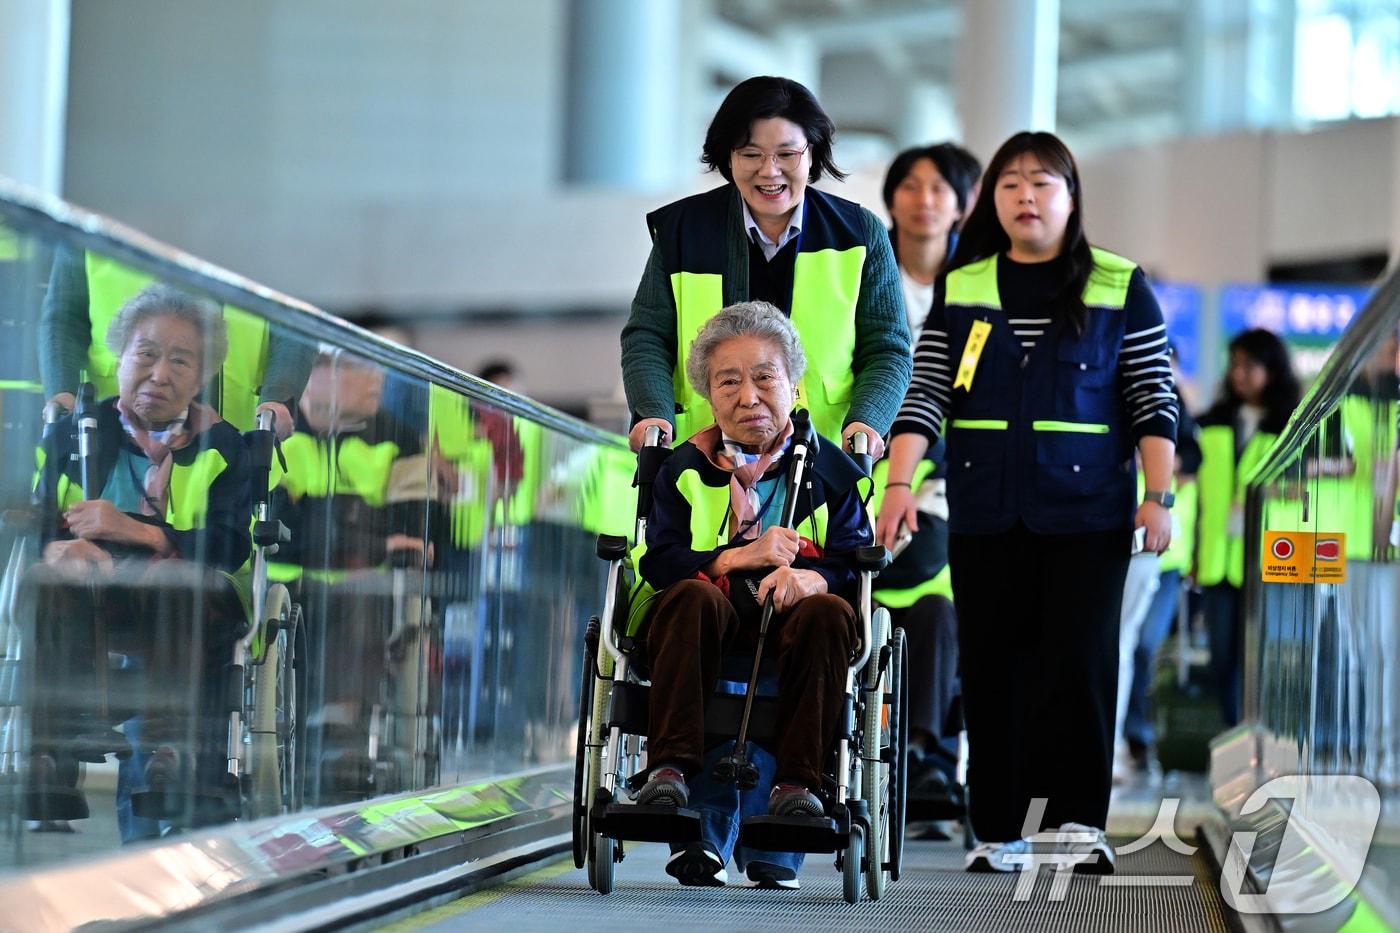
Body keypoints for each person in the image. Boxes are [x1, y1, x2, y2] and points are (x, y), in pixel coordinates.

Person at [875, 131, 1178, 875]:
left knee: (1080, 667)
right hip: (987, 510)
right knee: (992, 670)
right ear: (993, 201)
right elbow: (927, 394)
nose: (1025, 197)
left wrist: (1158, 494)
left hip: (1089, 515)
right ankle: (998, 829)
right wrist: (899, 484)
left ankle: (1078, 824)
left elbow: (1152, 399)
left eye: (1042, 183)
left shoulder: (1119, 284)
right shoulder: (966, 284)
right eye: (1010, 183)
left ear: (1071, 197)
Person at [634, 302, 871, 889]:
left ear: (794, 384)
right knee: (689, 599)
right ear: (708, 396)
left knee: (828, 613)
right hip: (707, 617)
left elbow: (858, 561)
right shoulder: (683, 469)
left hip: (794, 617)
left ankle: (798, 788)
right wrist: (734, 557)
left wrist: (814, 578)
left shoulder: (832, 472)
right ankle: (669, 774)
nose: (749, 397)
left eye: (765, 377)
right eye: (728, 382)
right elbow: (659, 560)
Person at [25, 283, 253, 837]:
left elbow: (229, 544)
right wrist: (57, 546)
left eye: (181, 361)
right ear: (119, 357)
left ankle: (168, 750)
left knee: (177, 582)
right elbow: (32, 524)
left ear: (201, 377)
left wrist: (135, 532)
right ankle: (55, 751)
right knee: (48, 578)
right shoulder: (77, 433)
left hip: (190, 604)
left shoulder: (224, 444)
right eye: (146, 353)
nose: (160, 373)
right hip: (96, 595)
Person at [622, 75, 911, 459]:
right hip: (704, 459)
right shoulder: (682, 231)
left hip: (823, 458)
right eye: (751, 154)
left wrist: (868, 419)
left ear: (812, 154)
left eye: (787, 154)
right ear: (728, 157)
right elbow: (647, 337)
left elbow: (887, 349)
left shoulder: (859, 234)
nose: (770, 171)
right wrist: (653, 412)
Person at [875, 142, 981, 833]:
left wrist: (921, 466)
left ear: (963, 205)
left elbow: (968, 390)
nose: (923, 200)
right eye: (910, 185)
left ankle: (933, 760)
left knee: (944, 607)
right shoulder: (866, 271)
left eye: (939, 188)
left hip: (947, 479)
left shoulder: (979, 285)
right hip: (861, 472)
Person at [39, 244, 313, 436]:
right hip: (111, 436)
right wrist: (63, 389)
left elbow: (296, 323)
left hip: (237, 442)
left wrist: (278, 395)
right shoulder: (96, 200)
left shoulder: (268, 218)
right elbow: (65, 316)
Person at [1195, 328, 1300, 727]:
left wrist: (1276, 490)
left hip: (1268, 560)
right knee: (1222, 656)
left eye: (1249, 365)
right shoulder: (1211, 422)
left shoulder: (1293, 426)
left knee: (1259, 656)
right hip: (1217, 559)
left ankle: (1260, 732)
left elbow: (1315, 481)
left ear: (1272, 371)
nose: (1238, 374)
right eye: (1234, 365)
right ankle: (1234, 731)